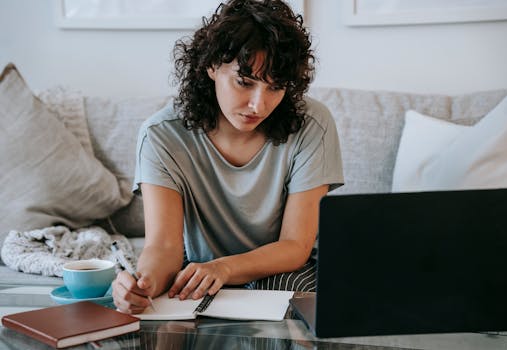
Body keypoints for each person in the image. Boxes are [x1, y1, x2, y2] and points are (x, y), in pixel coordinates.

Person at [112, 0, 344, 314]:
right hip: (200, 268)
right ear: (211, 66)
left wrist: (225, 268)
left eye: (275, 88)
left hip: (282, 269)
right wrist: (143, 285)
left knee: (279, 294)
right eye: (244, 82)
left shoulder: (312, 124)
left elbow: (295, 246)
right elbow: (164, 246)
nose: (258, 106)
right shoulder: (161, 135)